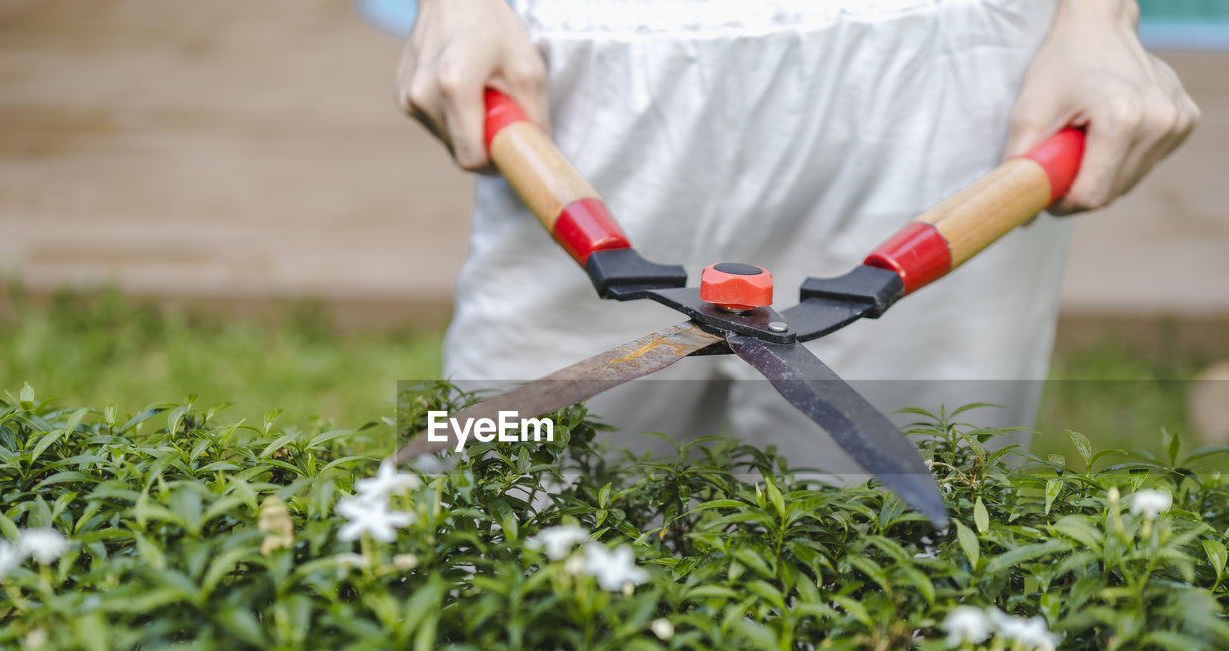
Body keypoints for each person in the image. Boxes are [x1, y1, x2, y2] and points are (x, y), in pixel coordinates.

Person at [394, 0, 1198, 467]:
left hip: (952, 76)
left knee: (905, 574)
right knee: (507, 507)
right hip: (587, 60)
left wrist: (1100, 17)